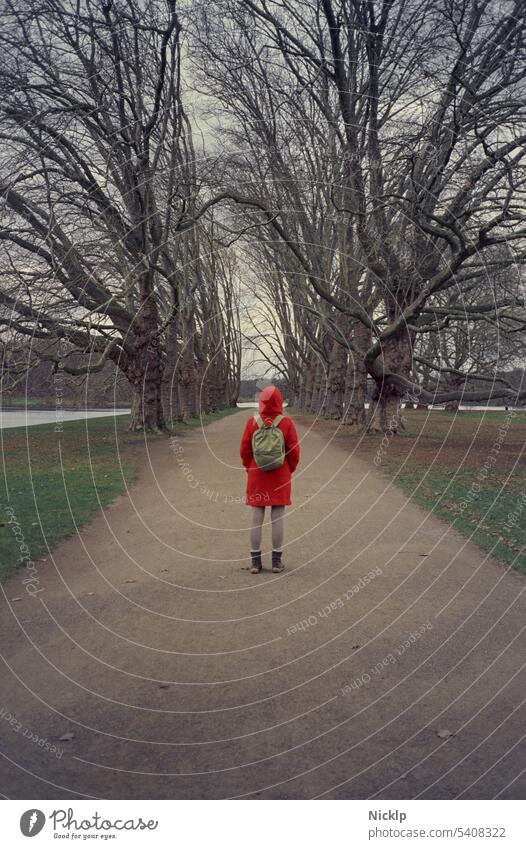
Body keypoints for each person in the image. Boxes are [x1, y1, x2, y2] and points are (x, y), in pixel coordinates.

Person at [240, 386, 300, 574]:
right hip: (280, 474)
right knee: (278, 516)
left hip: (257, 473)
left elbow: (244, 450)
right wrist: (288, 470)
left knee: (256, 516)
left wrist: (249, 468)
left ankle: (255, 562)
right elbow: (294, 452)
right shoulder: (286, 423)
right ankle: (276, 561)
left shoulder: (252, 422)